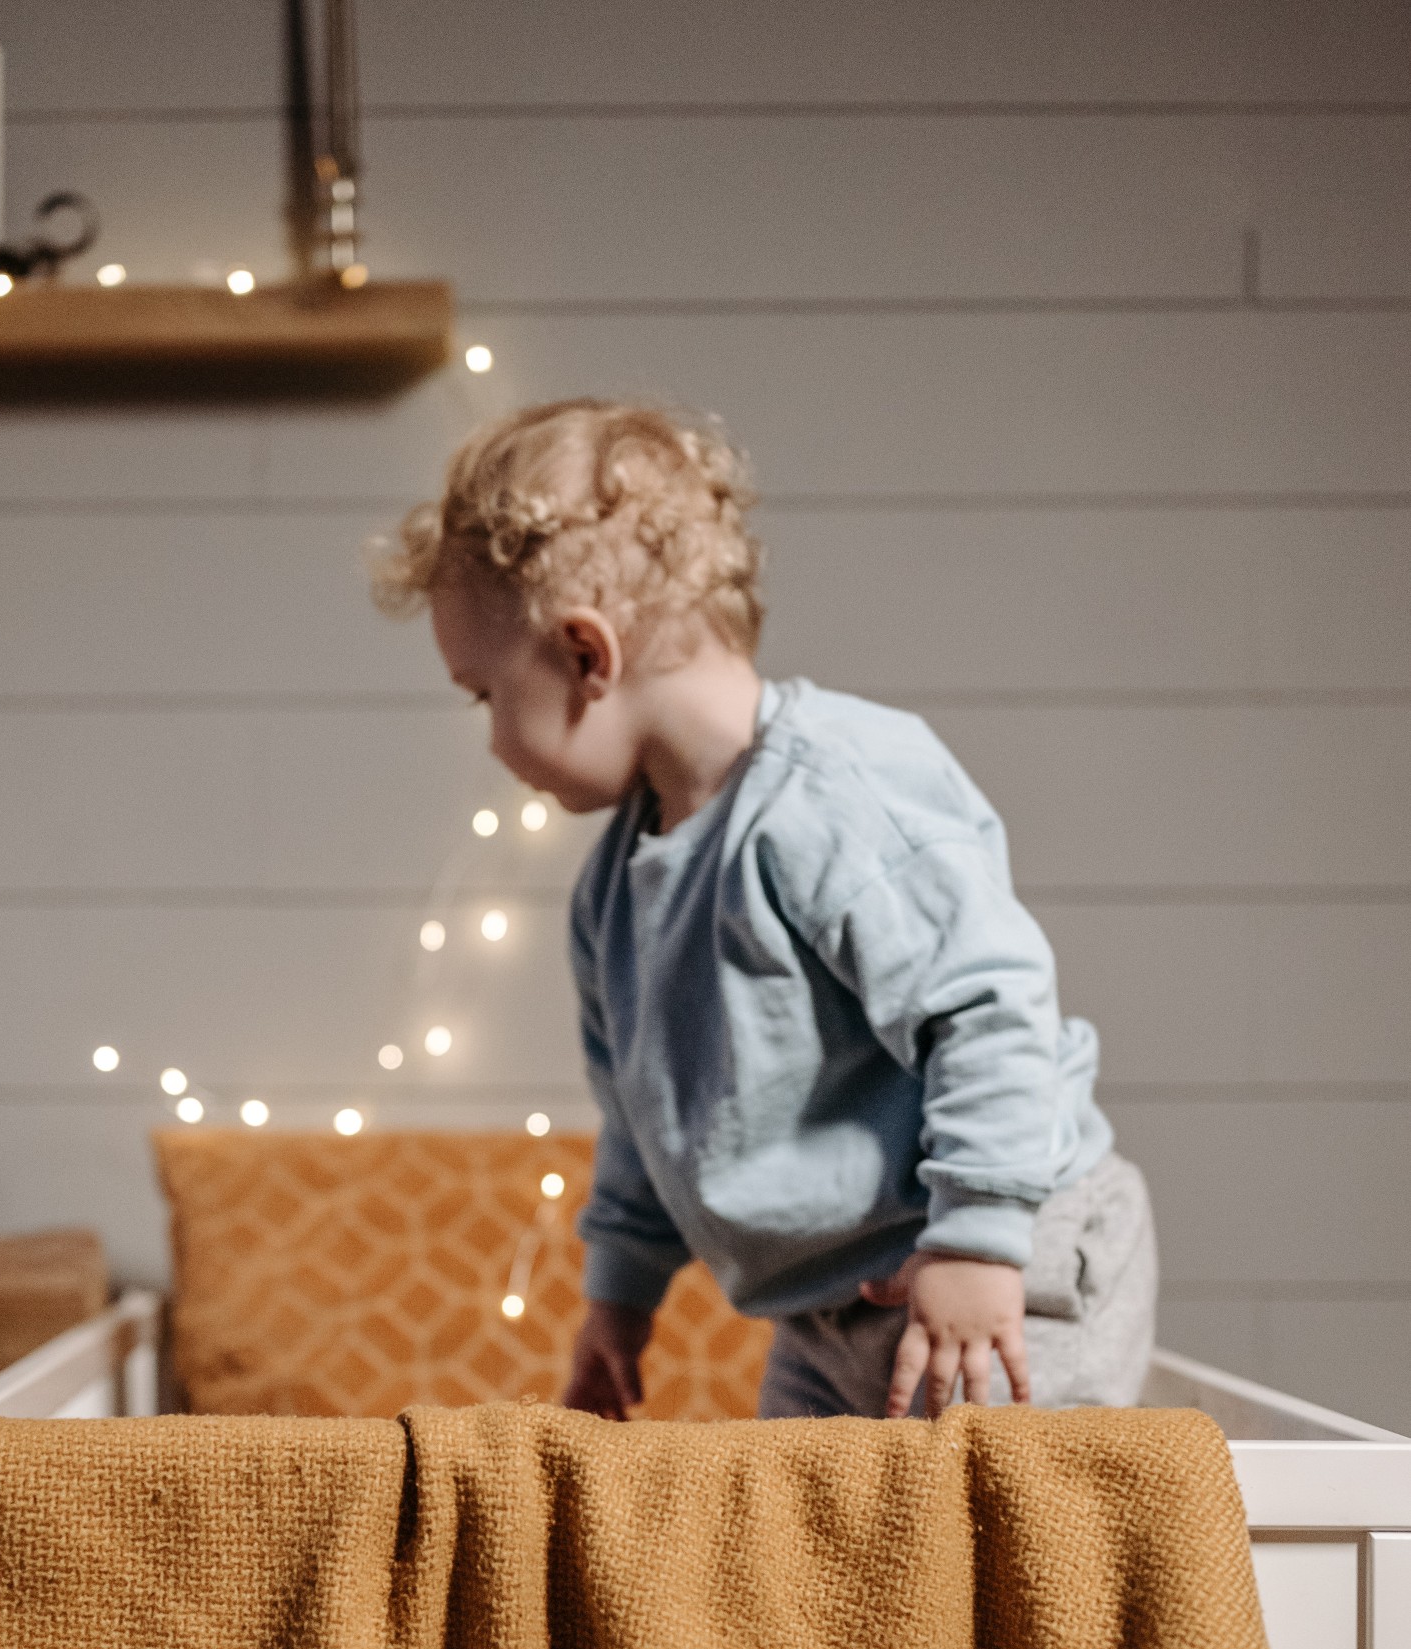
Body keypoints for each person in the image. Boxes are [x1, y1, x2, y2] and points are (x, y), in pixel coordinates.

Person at [372, 399, 1156, 1423]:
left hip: (1003, 1261)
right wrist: (617, 1304)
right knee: (799, 1569)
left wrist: (973, 1241)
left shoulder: (833, 792)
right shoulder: (611, 894)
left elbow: (987, 1009)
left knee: (998, 1553)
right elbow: (640, 1122)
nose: (489, 740)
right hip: (825, 1315)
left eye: (483, 694)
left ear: (583, 655)